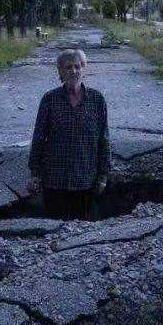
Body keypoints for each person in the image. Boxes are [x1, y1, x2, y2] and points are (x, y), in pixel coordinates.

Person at [28, 49, 110, 220]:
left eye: (77, 66)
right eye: (68, 67)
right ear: (60, 71)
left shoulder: (96, 100)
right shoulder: (50, 99)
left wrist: (103, 176)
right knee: (54, 226)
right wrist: (35, 173)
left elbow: (104, 139)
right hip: (55, 180)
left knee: (82, 228)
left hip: (85, 179)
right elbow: (39, 137)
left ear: (83, 68)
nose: (73, 71)